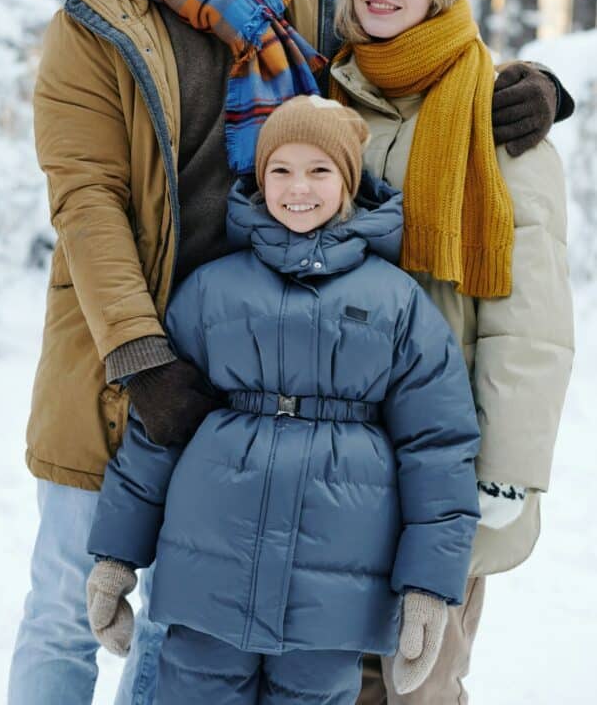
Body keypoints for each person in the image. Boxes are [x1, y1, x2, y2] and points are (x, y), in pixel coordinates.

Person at [7, 0, 571, 705]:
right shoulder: (96, 26)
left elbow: (430, 25)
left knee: (190, 620)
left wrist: (533, 85)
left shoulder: (305, 1)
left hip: (269, 365)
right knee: (69, 608)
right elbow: (88, 204)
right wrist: (142, 356)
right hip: (126, 360)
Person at [85, 95, 481, 704]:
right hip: (209, 576)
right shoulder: (212, 288)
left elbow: (438, 449)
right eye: (282, 170)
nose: (299, 187)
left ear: (348, 181)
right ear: (260, 179)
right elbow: (156, 435)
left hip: (334, 599)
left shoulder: (396, 302)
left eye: (320, 170)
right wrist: (116, 557)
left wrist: (429, 589)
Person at [325, 0, 574, 704]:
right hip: (335, 448)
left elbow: (531, 321)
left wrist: (506, 469)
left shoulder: (499, 118)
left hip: (443, 457)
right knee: (334, 679)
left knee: (420, 677)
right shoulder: (328, 95)